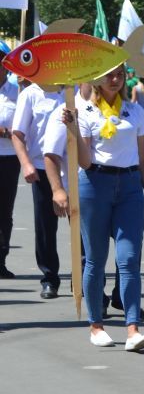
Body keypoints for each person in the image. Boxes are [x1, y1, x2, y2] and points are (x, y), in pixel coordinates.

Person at [49, 65, 144, 350]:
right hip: (94, 185)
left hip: (130, 187)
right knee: (96, 260)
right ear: (95, 78)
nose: (115, 80)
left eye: (120, 75)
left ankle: (133, 328)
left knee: (129, 258)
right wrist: (73, 128)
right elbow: (85, 162)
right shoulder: (84, 111)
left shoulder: (134, 111)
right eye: (109, 75)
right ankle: (96, 325)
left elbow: (141, 157)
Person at [10, 74, 65, 298]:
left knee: (83, 226)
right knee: (45, 227)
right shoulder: (30, 94)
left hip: (74, 167)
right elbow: (17, 133)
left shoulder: (74, 91)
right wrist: (26, 163)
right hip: (42, 167)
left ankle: (85, 278)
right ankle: (50, 277)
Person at [0, 64, 20, 279]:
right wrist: (4, 131)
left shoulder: (16, 92)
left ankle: (1, 259)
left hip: (9, 157)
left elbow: (22, 123)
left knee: (5, 211)